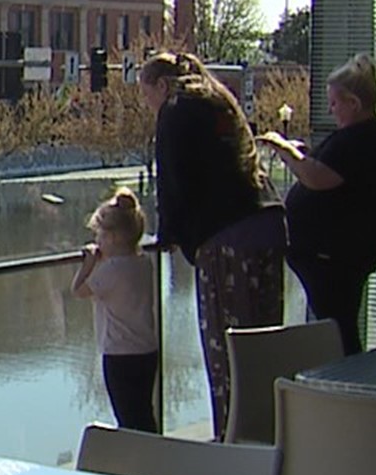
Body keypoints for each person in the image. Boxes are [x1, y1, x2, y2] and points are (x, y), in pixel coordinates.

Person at [141, 50, 285, 439]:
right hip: (266, 223)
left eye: (146, 95)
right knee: (264, 344)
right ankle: (270, 434)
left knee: (228, 350)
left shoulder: (175, 108)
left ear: (160, 85)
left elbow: (172, 181)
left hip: (226, 239)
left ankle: (233, 442)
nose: (148, 105)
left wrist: (169, 234)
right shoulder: (217, 96)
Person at [257, 53, 376, 356]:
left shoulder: (362, 140)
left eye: (335, 103)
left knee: (337, 327)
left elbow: (317, 176)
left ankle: (344, 387)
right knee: (336, 323)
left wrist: (284, 150)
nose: (331, 109)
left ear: (354, 103)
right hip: (331, 251)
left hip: (335, 253)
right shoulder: (364, 138)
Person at [73, 186, 160, 433]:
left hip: (119, 355)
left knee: (127, 417)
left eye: (99, 235)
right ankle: (156, 458)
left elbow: (78, 290)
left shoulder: (110, 272)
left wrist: (89, 263)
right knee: (143, 413)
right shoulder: (142, 263)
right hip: (146, 350)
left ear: (112, 238)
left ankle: (137, 464)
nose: (97, 241)